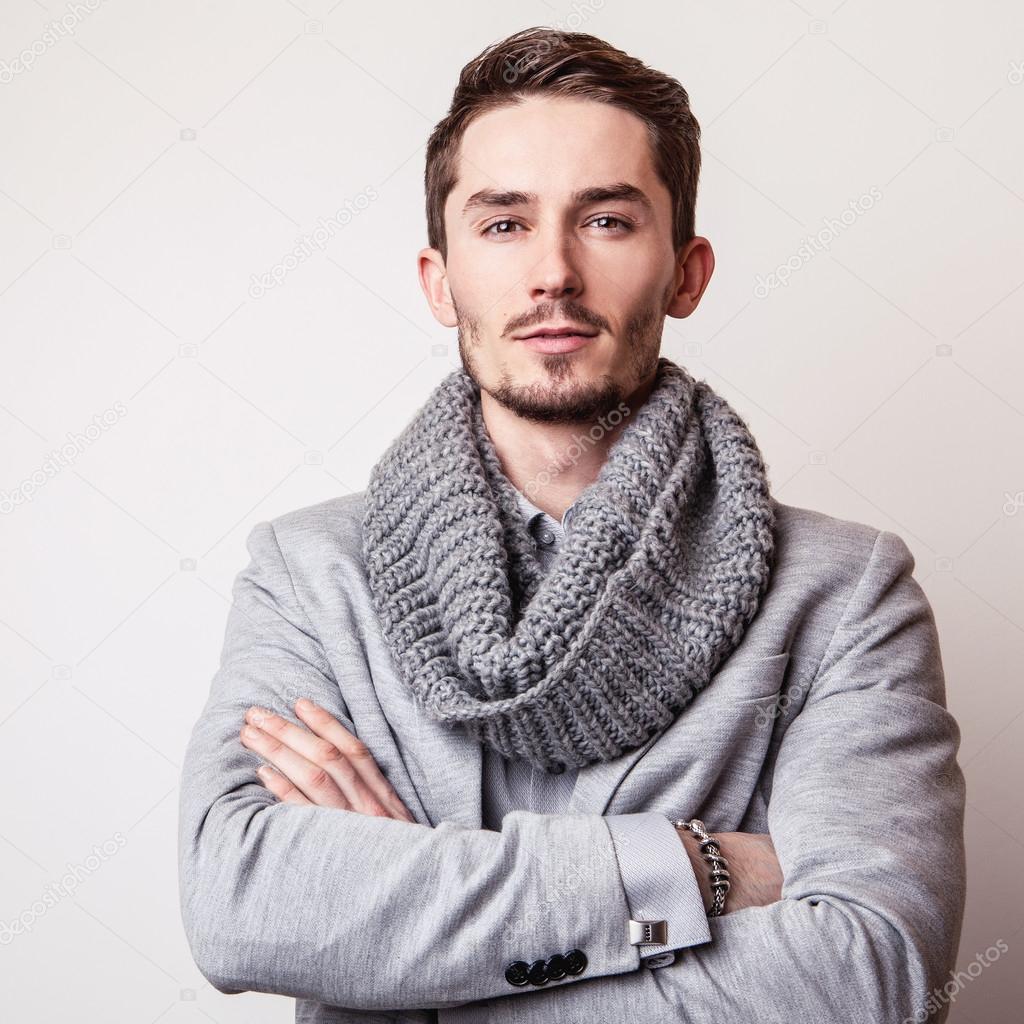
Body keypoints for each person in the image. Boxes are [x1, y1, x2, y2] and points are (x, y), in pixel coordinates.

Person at [178, 26, 966, 1024]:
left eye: (604, 220)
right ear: (440, 278)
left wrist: (408, 958)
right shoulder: (308, 572)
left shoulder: (845, 592)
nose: (552, 271)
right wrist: (691, 866)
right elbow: (240, 907)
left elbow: (873, 975)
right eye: (503, 225)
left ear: (685, 272)